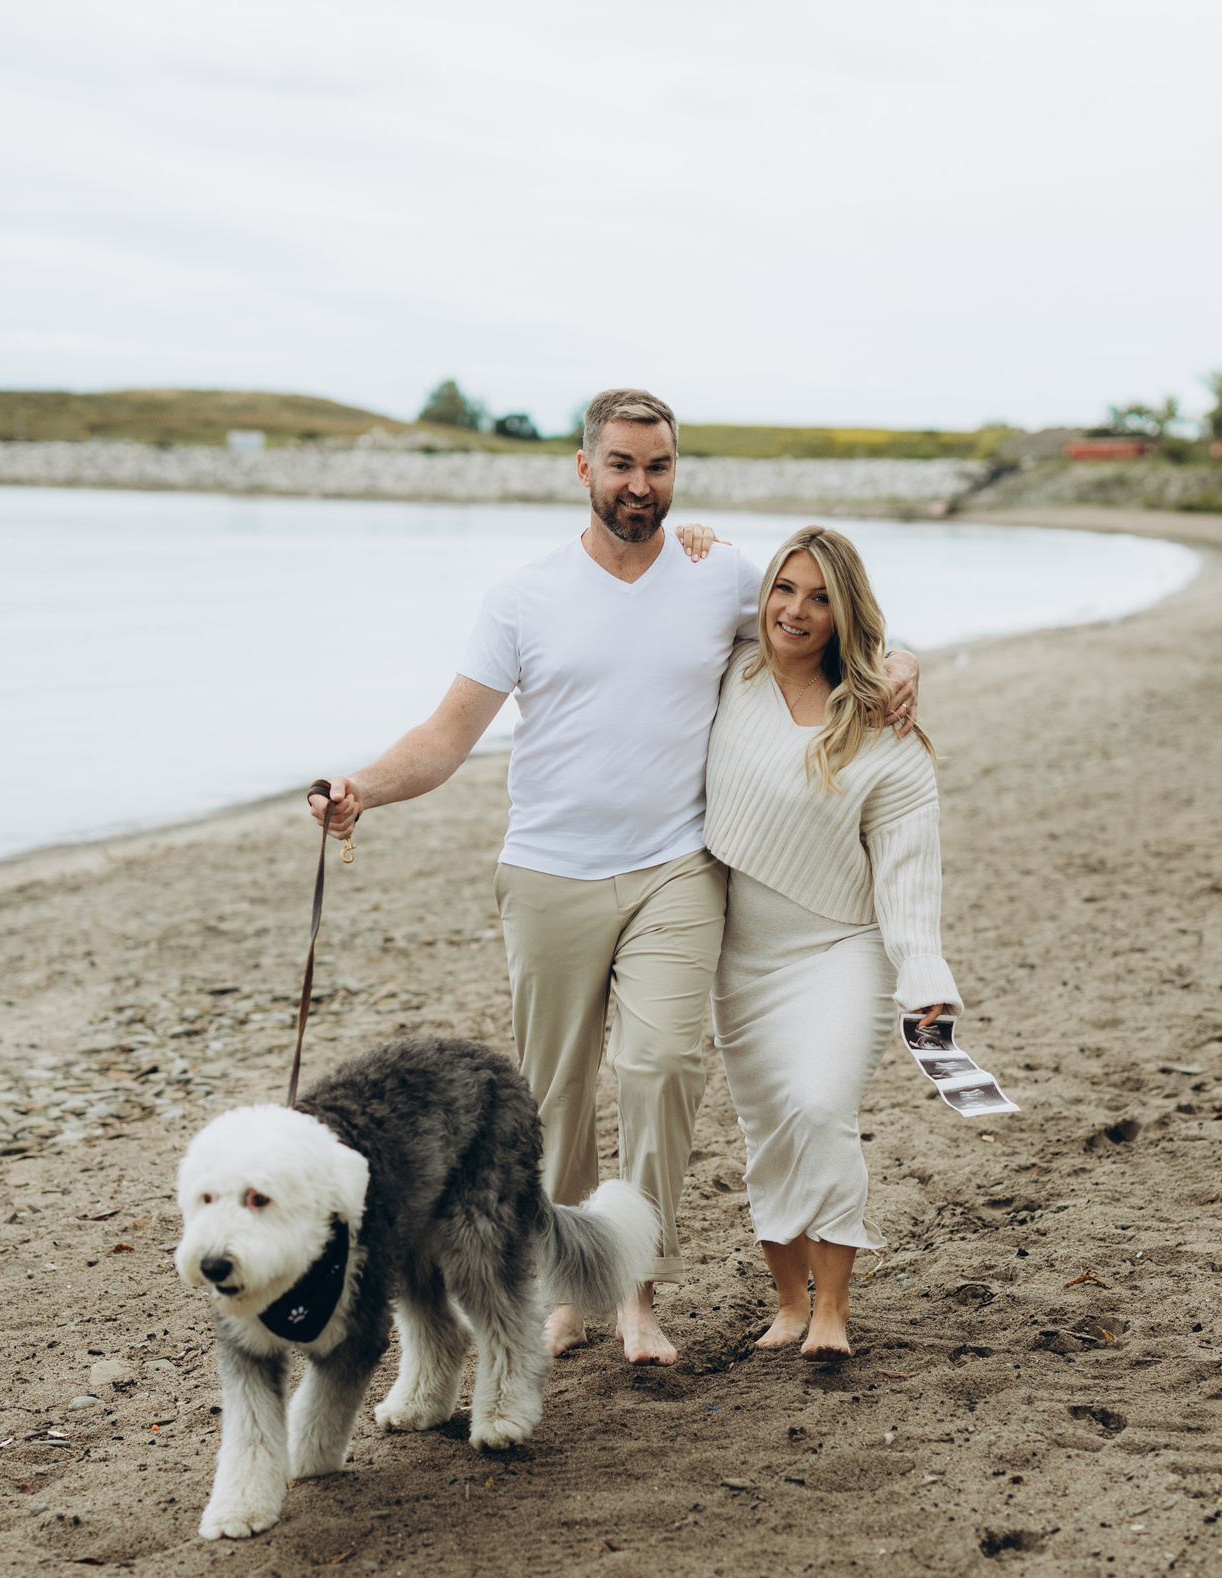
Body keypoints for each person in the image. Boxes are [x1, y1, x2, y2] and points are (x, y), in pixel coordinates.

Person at [309, 390, 917, 1365]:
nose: (642, 485)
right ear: (583, 469)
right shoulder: (522, 597)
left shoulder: (718, 575)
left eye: (660, 466)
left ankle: (635, 1295)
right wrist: (361, 788)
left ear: (677, 470)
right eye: (624, 464)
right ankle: (569, 1288)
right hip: (548, 875)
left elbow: (819, 613)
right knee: (553, 1100)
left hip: (677, 869)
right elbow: (447, 734)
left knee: (663, 1067)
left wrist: (901, 657)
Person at [701, 524, 960, 1360]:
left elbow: (908, 871)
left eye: (820, 598)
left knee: (821, 1108)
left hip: (842, 947)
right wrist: (695, 537)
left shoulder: (883, 727)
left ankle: (833, 1311)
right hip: (742, 959)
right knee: (769, 1127)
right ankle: (786, 1302)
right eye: (784, 588)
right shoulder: (729, 668)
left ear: (846, 614)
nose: (797, 610)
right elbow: (662, 590)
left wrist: (923, 977)